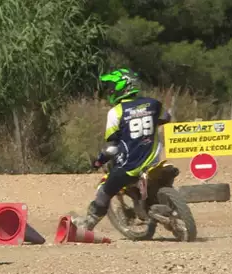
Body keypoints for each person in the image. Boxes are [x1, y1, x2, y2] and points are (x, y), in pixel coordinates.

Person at [72, 68, 172, 231]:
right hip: (154, 160)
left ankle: (87, 224)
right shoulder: (154, 104)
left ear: (122, 87)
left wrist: (98, 161)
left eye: (112, 86)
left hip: (129, 167)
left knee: (105, 190)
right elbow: (166, 118)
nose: (110, 90)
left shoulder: (116, 112)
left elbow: (112, 147)